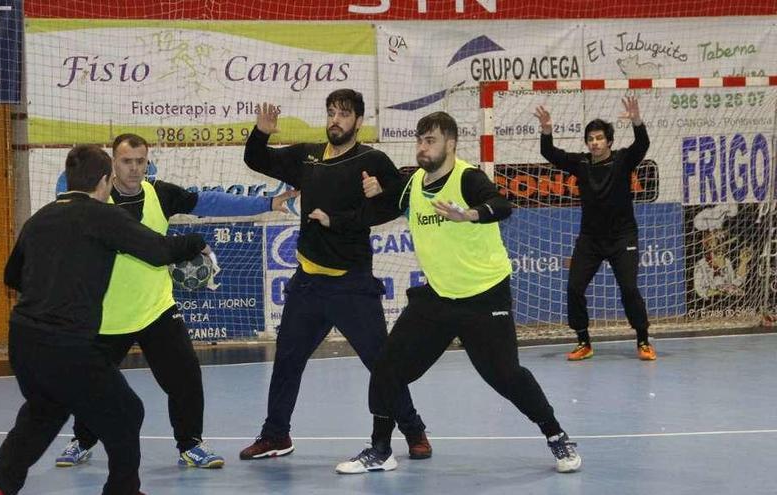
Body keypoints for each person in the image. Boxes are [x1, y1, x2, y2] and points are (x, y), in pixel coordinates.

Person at [332, 111, 581, 474]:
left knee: (506, 377)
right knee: (387, 368)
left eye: (430, 140)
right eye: (419, 140)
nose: (422, 147)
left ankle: (556, 435)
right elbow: (378, 211)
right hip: (438, 298)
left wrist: (469, 215)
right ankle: (381, 449)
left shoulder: (468, 178)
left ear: (450, 143)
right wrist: (370, 197)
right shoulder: (412, 183)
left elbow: (502, 206)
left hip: (484, 297)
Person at [55, 133, 296, 469]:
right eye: (126, 161)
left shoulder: (161, 195)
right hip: (107, 315)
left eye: (141, 161)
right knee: (91, 384)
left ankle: (190, 444)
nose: (135, 168)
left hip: (156, 309)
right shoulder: (93, 202)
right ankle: (82, 440)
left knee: (185, 379)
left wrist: (266, 203)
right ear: (113, 163)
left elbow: (209, 203)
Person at [0, 145, 209, 495]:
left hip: (23, 343)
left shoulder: (38, 219)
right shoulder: (104, 215)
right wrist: (196, 242)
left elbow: (13, 276)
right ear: (105, 181)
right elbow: (159, 251)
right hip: (67, 345)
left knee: (42, 414)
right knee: (127, 412)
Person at [240, 89, 430, 460]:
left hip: (351, 283)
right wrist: (261, 132)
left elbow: (395, 205)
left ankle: (413, 429)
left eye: (343, 114)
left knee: (381, 364)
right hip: (307, 282)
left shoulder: (373, 160)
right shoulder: (307, 157)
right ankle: (276, 435)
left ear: (358, 122)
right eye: (330, 113)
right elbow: (256, 158)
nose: (335, 120)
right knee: (287, 360)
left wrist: (369, 200)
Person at [535, 96, 656, 361]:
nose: (594, 142)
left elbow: (643, 144)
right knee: (574, 288)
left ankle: (643, 340)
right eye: (591, 138)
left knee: (629, 288)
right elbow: (550, 153)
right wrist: (546, 131)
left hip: (623, 237)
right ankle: (583, 341)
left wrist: (636, 120)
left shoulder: (624, 159)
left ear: (609, 141)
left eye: (599, 138)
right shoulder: (581, 164)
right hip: (590, 239)